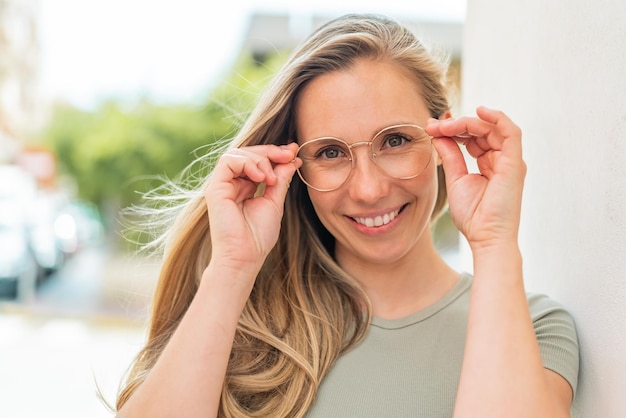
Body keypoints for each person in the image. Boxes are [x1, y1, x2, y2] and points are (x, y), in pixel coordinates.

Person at [115, 13, 579, 418]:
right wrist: (233, 268)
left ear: (443, 140)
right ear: (296, 169)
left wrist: (494, 241)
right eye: (331, 152)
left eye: (395, 140)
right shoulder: (243, 323)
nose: (369, 189)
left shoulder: (536, 328)